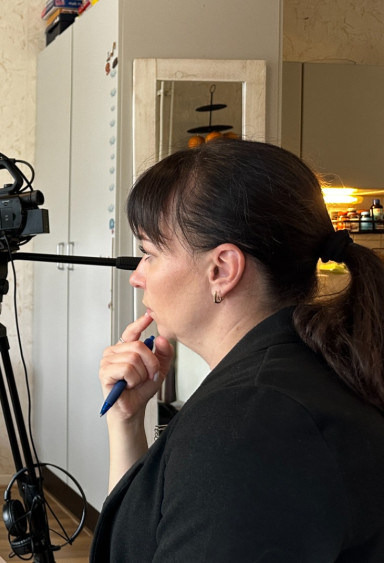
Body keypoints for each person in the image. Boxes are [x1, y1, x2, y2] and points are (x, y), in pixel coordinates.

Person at [92, 139, 384, 561]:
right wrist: (127, 420)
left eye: (149, 254)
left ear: (223, 269)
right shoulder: (293, 373)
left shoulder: (250, 421)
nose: (137, 277)